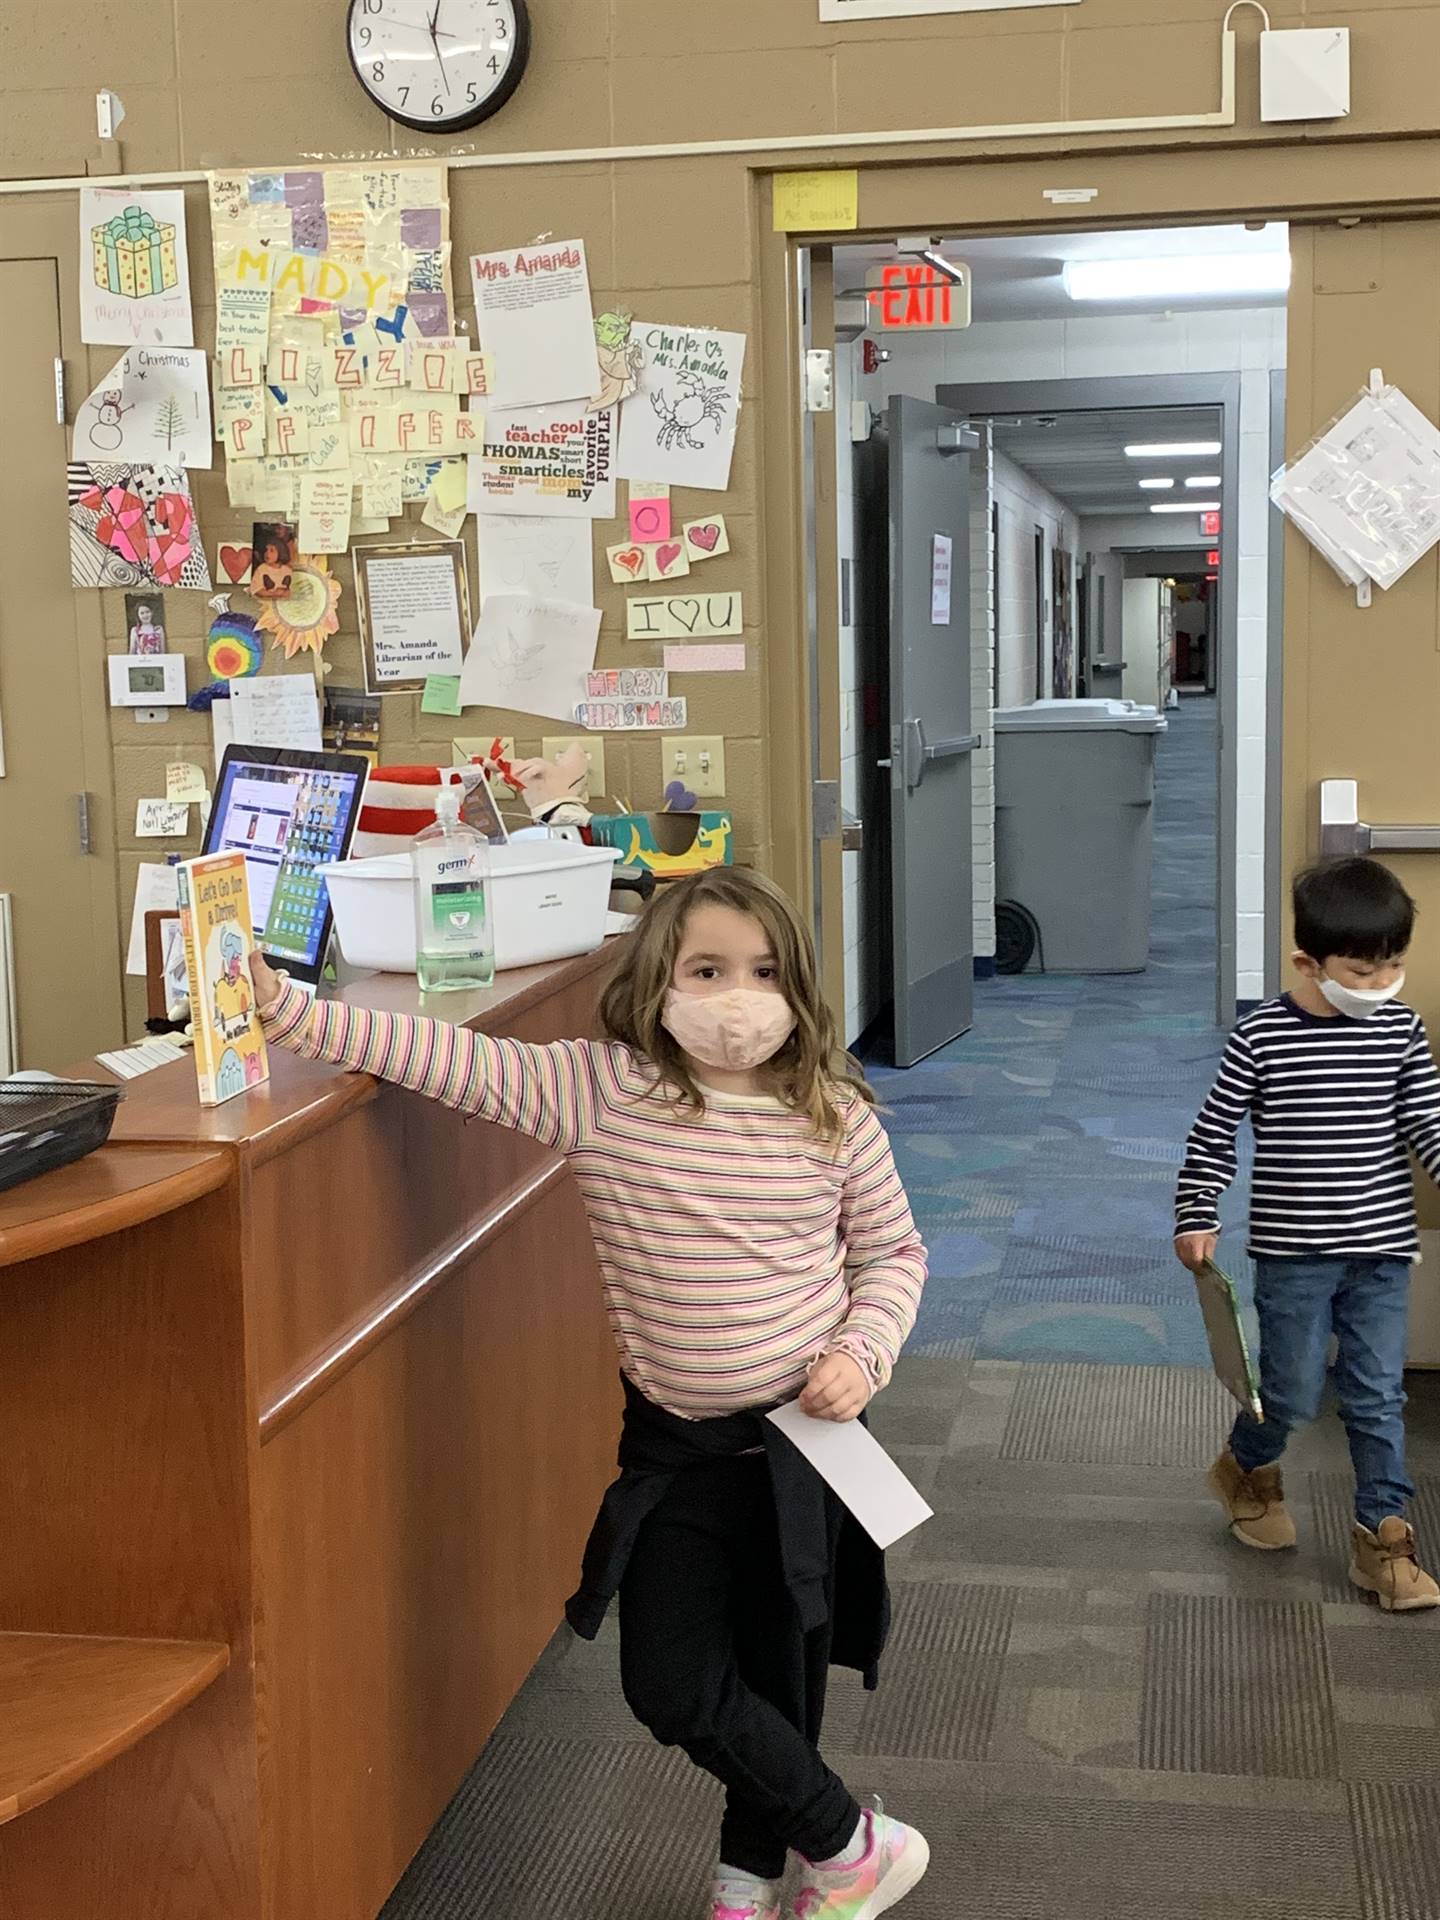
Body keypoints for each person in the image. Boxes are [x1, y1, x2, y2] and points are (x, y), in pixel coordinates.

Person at [251, 867, 931, 1920]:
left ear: (798, 989)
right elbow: (447, 1056)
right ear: (659, 980)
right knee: (668, 1681)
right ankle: (851, 1842)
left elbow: (892, 1255)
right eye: (707, 970)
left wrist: (866, 1349)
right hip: (676, 1458)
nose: (737, 996)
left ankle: (752, 1881)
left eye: (763, 973)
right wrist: (286, 1005)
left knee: (781, 1682)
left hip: (809, 1450)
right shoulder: (601, 1090)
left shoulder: (832, 1114)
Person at [1175, 857, 1440, 1613]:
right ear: (1307, 963)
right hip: (1294, 1255)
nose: (1379, 985)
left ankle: (1381, 1539)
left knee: (1377, 1396)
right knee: (1290, 1392)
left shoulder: (1402, 1030)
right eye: (1360, 971)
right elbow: (1214, 1132)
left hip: (1383, 1252)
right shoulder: (1262, 1037)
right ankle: (1247, 1468)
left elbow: (1428, 1124)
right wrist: (1196, 1211)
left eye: (1392, 967)